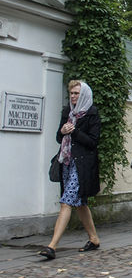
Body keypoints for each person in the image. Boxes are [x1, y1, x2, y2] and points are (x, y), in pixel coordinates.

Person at [39, 80, 101, 260]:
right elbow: (59, 138)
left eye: (76, 94)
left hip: (82, 164)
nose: (73, 96)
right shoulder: (67, 111)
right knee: (80, 202)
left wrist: (73, 132)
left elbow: (93, 142)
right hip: (66, 161)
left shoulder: (92, 113)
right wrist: (63, 130)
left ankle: (52, 246)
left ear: (84, 95)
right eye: (72, 93)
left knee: (66, 201)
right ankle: (94, 238)